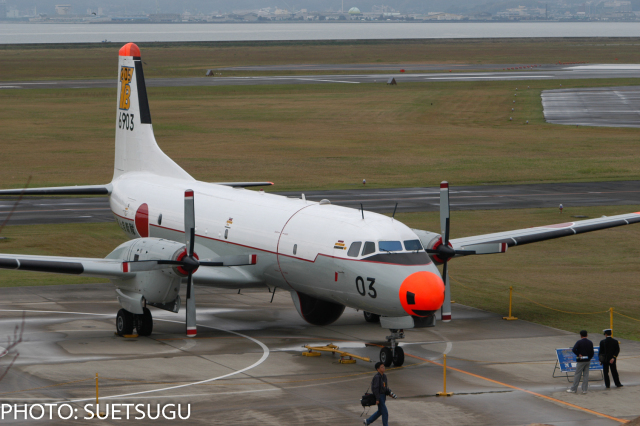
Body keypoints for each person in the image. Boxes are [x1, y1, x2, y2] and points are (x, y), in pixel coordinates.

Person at [364, 362, 395, 426]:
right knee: (385, 412)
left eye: (384, 366)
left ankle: (367, 421)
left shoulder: (384, 376)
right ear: (378, 369)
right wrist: (377, 399)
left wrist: (389, 393)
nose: (383, 368)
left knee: (380, 411)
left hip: (383, 396)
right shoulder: (377, 377)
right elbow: (375, 389)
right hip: (379, 396)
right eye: (382, 367)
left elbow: (384, 388)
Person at [567, 330, 594, 394]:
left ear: (580, 335)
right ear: (587, 335)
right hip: (587, 360)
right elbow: (592, 352)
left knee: (577, 374)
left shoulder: (579, 342)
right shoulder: (590, 342)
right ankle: (584, 389)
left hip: (581, 360)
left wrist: (578, 354)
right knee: (586, 375)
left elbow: (574, 349)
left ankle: (574, 388)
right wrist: (589, 357)